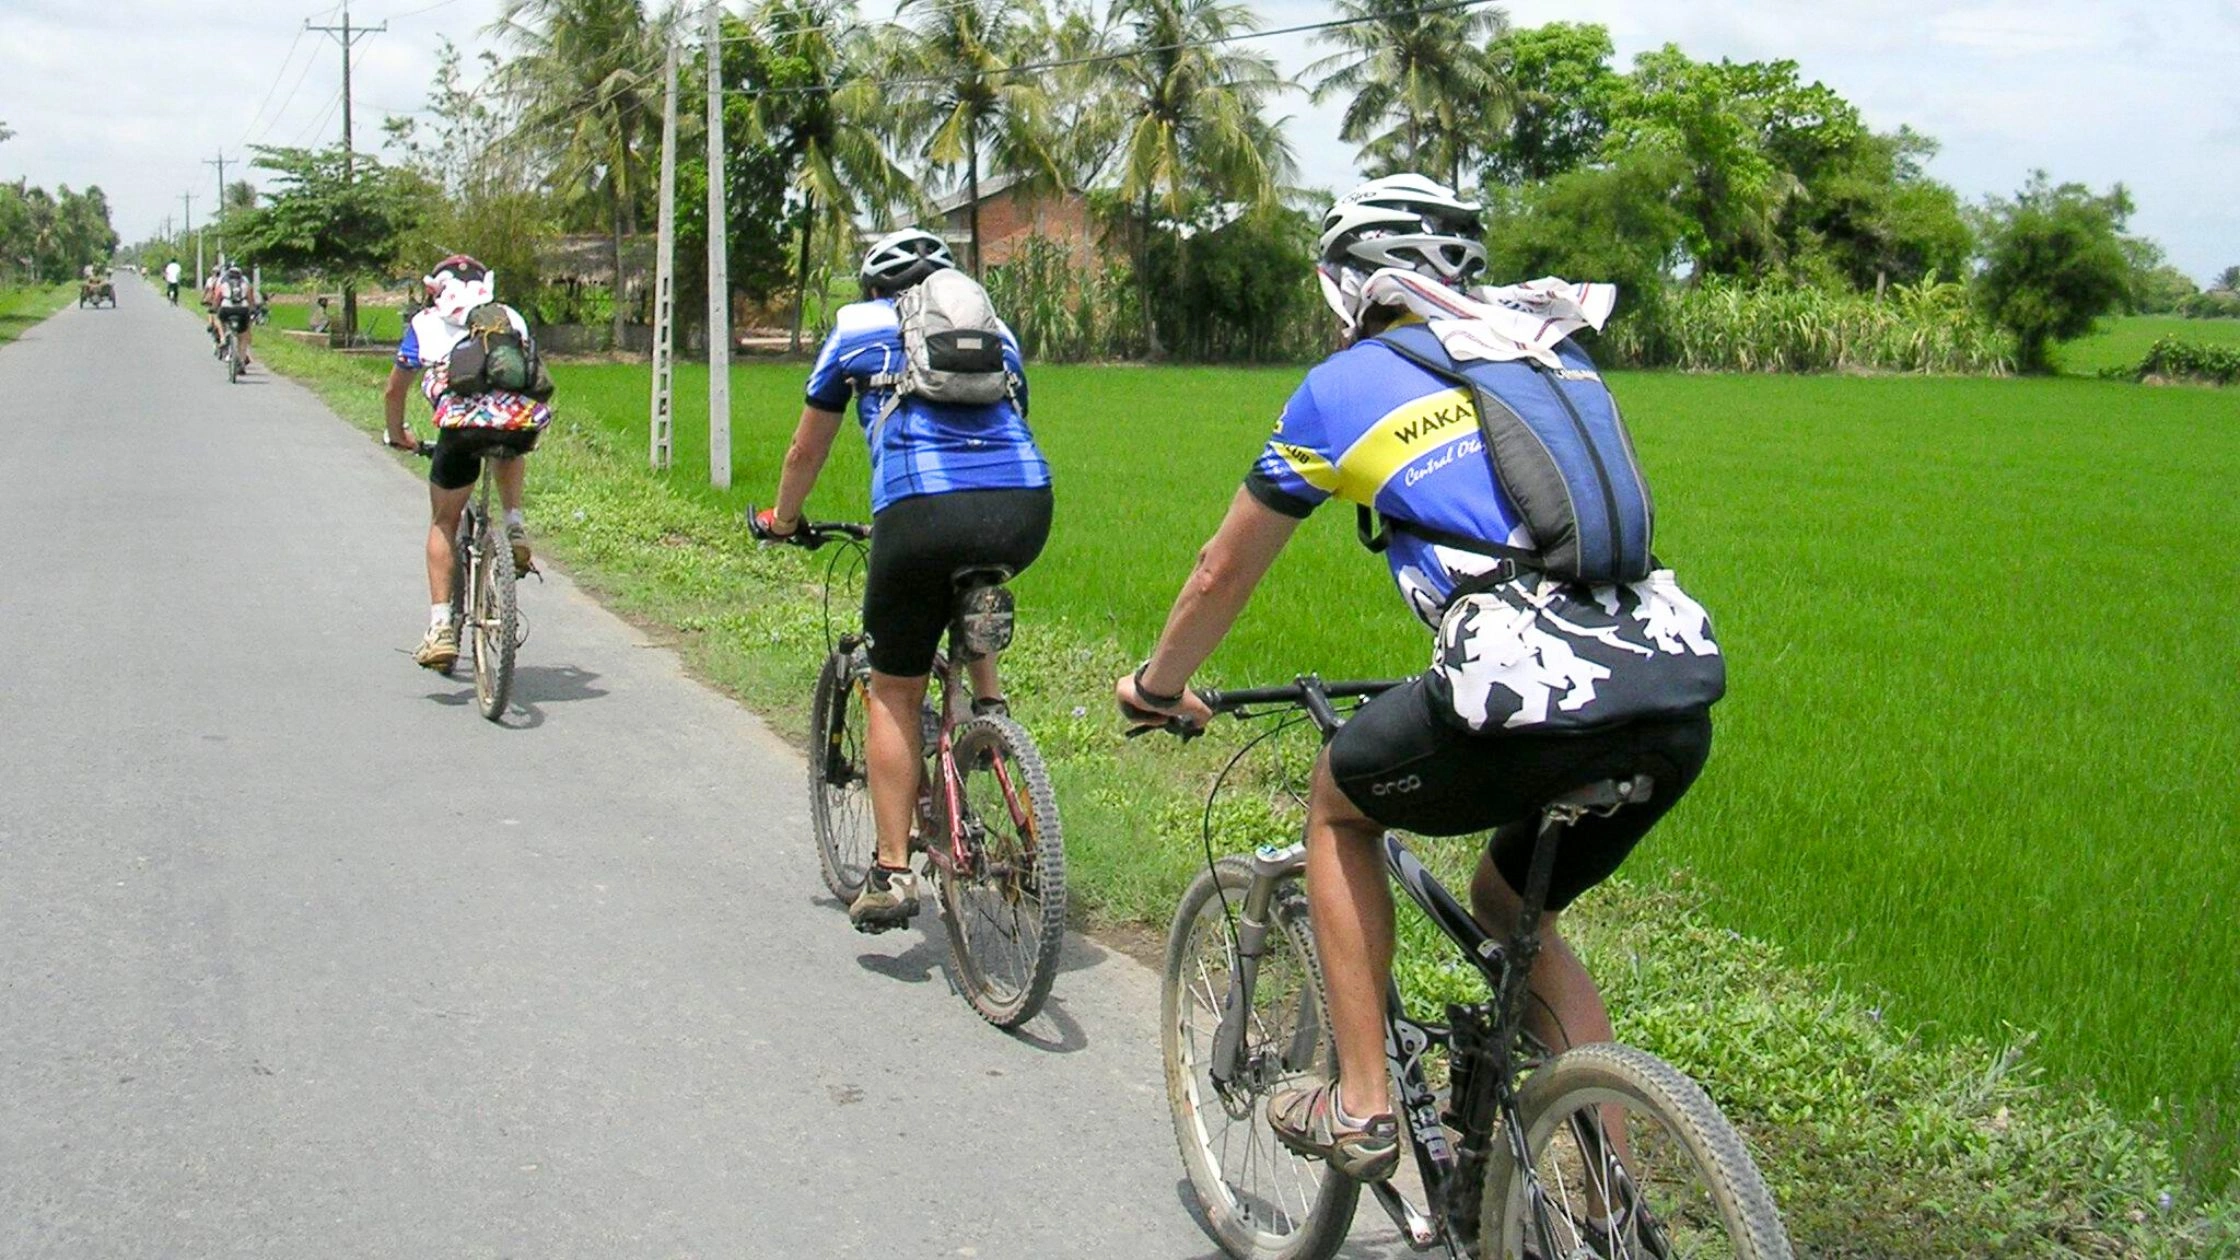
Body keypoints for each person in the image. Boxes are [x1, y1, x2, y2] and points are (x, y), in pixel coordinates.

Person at [1114, 174, 1722, 1183]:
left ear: (1349, 285)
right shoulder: (1550, 354)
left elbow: (1222, 569)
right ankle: (1608, 1207)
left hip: (1523, 693)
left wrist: (1155, 682)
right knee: (1508, 903)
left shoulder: (1341, 388)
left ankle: (1360, 1106)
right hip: (1667, 691)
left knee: (1338, 808)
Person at [753, 228, 1053, 932]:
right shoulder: (997, 332)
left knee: (894, 688)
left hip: (920, 512)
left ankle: (890, 869)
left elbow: (806, 447)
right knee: (972, 580)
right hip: (1025, 507)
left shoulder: (856, 330)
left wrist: (783, 519)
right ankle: (990, 708)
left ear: (874, 290)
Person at [380, 254, 550, 672]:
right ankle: (513, 523)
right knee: (509, 436)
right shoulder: (510, 317)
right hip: (516, 424)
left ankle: (440, 627)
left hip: (459, 431)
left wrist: (399, 433)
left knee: (443, 522)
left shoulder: (424, 325)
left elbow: (393, 391)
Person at [206, 262, 260, 367]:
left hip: (226, 309)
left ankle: (223, 338)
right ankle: (242, 360)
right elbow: (250, 299)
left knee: (219, 319)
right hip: (242, 310)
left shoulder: (223, 282)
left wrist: (213, 308)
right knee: (243, 336)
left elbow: (217, 297)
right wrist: (253, 310)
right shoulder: (245, 283)